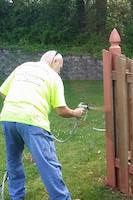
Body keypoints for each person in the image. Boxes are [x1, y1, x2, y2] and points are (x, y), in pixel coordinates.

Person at [0, 50, 85, 200]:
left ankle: (17, 196)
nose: (60, 70)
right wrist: (76, 113)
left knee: (13, 161)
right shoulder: (53, 77)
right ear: (55, 62)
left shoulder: (24, 66)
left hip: (8, 116)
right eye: (61, 66)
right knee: (48, 164)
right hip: (33, 120)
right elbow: (61, 110)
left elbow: (3, 91)